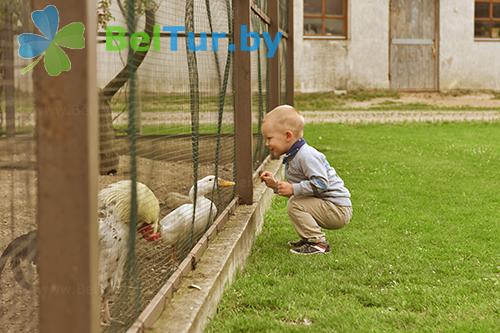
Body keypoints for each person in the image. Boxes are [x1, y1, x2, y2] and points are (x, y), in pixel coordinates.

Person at [260, 105, 352, 255]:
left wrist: (293, 189)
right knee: (295, 202)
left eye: (269, 138)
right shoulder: (294, 156)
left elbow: (321, 183)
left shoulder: (306, 155)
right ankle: (308, 239)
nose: (266, 144)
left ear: (288, 136)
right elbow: (297, 189)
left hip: (338, 209)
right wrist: (275, 185)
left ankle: (318, 243)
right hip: (329, 206)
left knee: (296, 204)